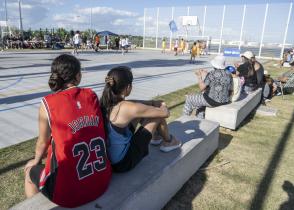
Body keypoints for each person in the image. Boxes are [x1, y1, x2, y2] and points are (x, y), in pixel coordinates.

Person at [24, 54, 112, 208]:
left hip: (68, 195)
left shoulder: (48, 103)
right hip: (101, 182)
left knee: (29, 172)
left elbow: (42, 142)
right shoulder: (91, 95)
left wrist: (36, 161)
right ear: (77, 76)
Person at [100, 66, 181, 172]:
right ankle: (169, 141)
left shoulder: (105, 101)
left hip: (109, 158)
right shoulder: (128, 107)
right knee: (157, 115)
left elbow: (139, 104)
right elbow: (165, 113)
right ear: (128, 87)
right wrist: (162, 105)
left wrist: (153, 103)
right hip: (122, 163)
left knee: (146, 112)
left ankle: (156, 137)